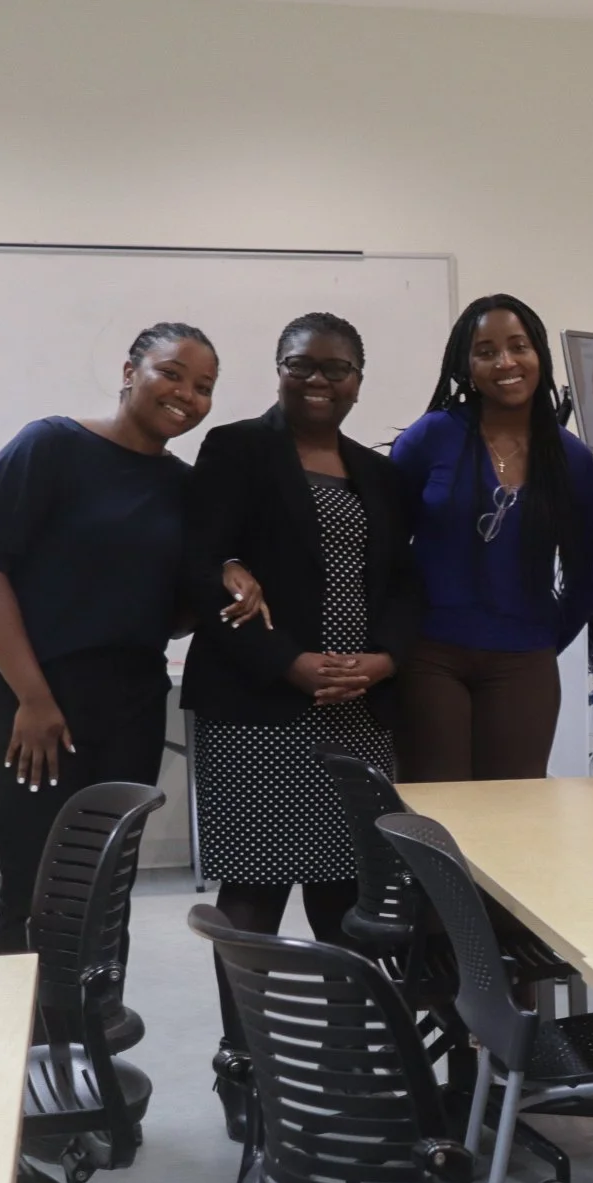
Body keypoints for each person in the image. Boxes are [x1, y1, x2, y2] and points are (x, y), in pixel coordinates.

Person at [0, 322, 264, 954]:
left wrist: (228, 577)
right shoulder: (51, 444)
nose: (186, 395)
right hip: (27, 702)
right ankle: (32, 1019)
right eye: (170, 373)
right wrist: (34, 700)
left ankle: (96, 1015)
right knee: (40, 887)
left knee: (107, 885)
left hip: (129, 706)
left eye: (204, 387)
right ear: (129, 372)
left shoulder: (184, 487)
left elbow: (169, 613)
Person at [182, 312, 419, 1132]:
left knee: (348, 896)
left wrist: (384, 661)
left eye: (335, 368)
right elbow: (202, 566)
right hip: (258, 708)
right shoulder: (237, 449)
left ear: (359, 379)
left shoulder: (378, 473)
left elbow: (402, 584)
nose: (318, 380)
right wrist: (287, 662)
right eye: (301, 365)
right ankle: (246, 1071)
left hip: (358, 713)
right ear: (279, 369)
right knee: (254, 893)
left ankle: (342, 1067)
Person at [390, 294, 593, 782]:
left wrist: (540, 641)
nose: (505, 362)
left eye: (518, 347)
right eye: (486, 352)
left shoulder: (572, 459)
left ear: (539, 354)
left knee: (513, 813)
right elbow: (385, 548)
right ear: (466, 366)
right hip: (430, 657)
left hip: (523, 660)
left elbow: (585, 574)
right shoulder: (430, 438)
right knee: (435, 807)